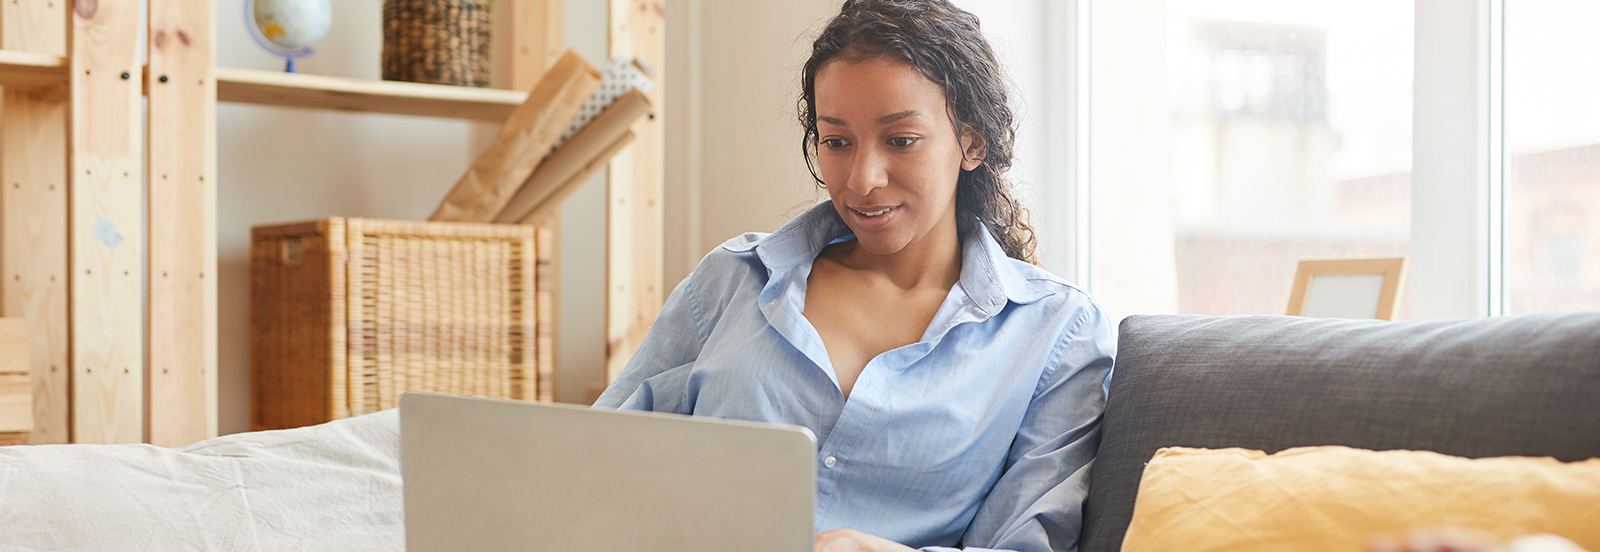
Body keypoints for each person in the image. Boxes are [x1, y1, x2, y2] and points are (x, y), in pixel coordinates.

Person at [593, 1, 1115, 550]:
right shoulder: (732, 281)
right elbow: (593, 468)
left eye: (901, 139)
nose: (863, 180)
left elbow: (1026, 543)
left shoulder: (1058, 335)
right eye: (837, 142)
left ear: (972, 141)